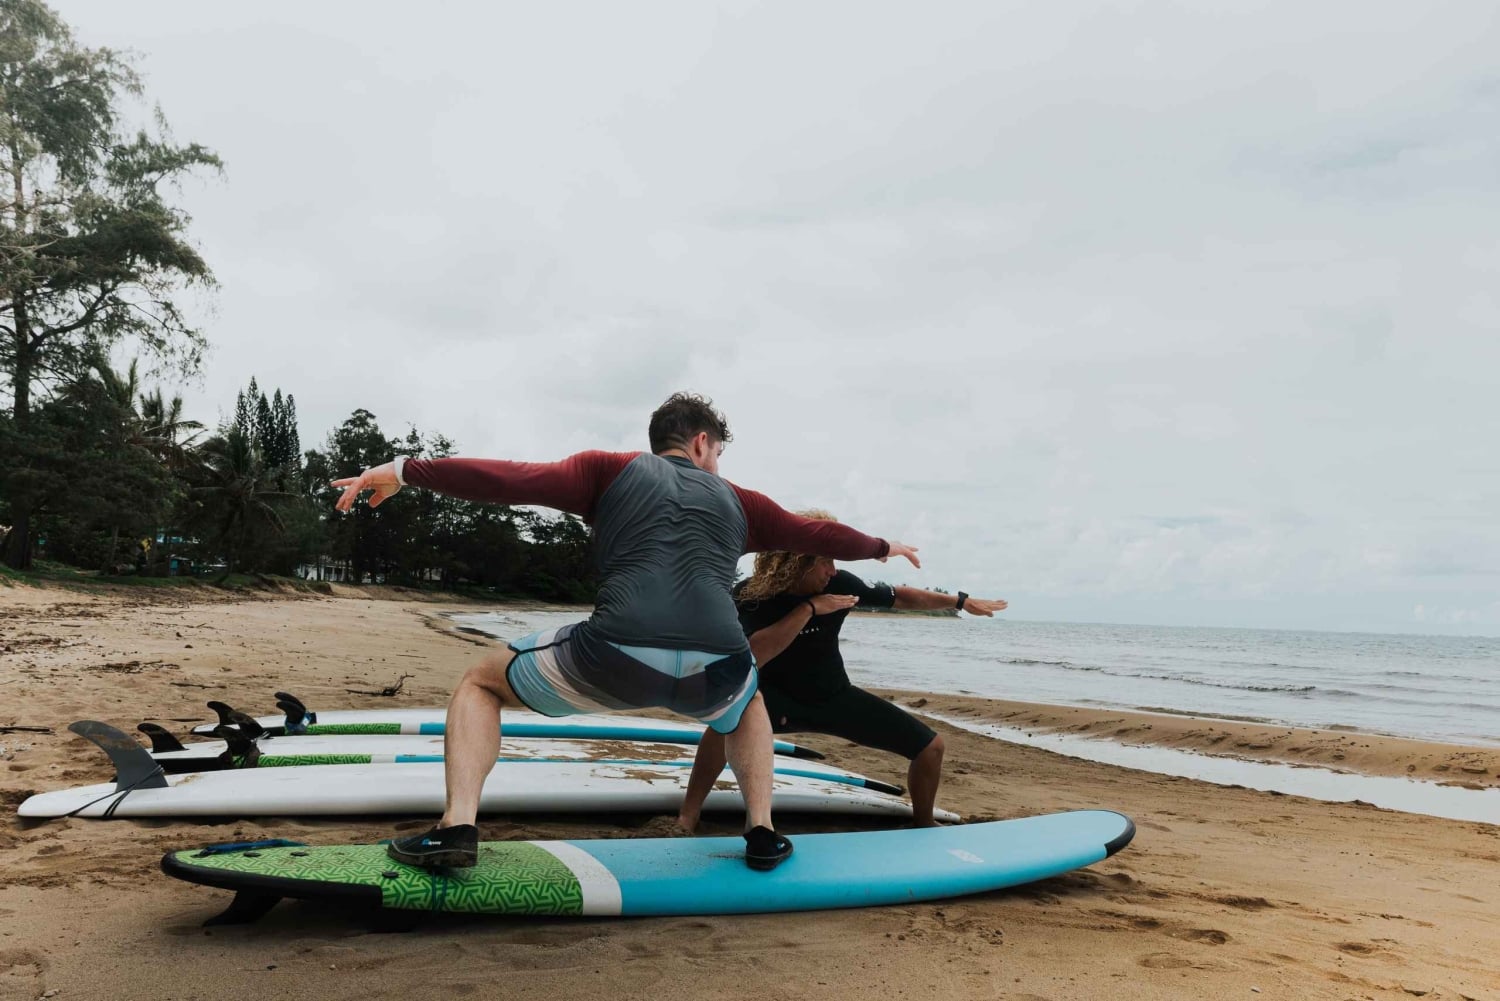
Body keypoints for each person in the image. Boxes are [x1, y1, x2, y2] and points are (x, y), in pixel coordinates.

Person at [332, 394, 919, 871]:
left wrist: (403, 470)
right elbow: (820, 535)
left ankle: (458, 826)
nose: (717, 466)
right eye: (718, 453)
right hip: (715, 669)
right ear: (701, 442)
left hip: (613, 659)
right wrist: (880, 546)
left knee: (481, 684)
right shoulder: (745, 503)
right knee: (749, 703)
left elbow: (508, 479)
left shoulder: (607, 471)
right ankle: (761, 832)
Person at [676, 511, 1005, 831]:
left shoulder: (840, 584)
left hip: (833, 697)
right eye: (826, 562)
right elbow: (755, 655)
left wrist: (959, 602)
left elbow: (900, 598)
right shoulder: (752, 595)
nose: (832, 571)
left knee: (931, 748)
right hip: (774, 701)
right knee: (722, 727)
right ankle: (688, 817)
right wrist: (808, 610)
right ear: (800, 562)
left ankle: (923, 822)